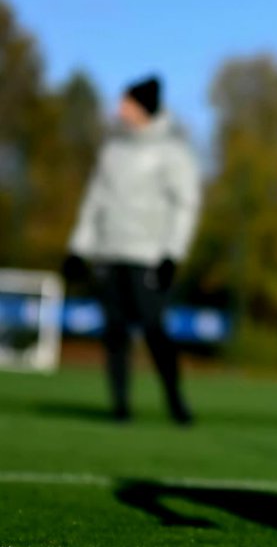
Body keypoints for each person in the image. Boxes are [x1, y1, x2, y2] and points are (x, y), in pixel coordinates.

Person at [64, 76, 200, 424]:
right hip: (109, 254)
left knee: (155, 330)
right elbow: (95, 201)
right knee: (114, 333)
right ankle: (120, 405)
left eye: (125, 102)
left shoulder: (172, 151)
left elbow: (185, 205)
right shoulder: (113, 150)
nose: (119, 109)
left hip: (148, 258)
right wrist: (78, 248)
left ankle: (175, 400)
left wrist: (172, 253)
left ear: (142, 106)